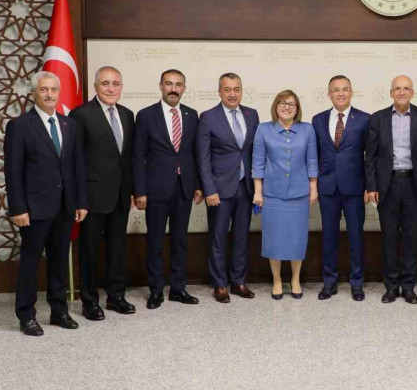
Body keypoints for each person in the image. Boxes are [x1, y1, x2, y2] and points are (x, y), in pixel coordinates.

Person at [5, 71, 88, 336]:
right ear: (34, 93)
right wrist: (18, 208)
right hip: (34, 208)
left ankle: (58, 311)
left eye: (53, 89)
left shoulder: (69, 125)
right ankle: (26, 315)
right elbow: (13, 171)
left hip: (64, 207)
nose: (50, 94)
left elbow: (76, 168)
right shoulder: (20, 126)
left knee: (59, 261)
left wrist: (79, 202)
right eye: (44, 90)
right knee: (30, 262)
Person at [69, 66, 136, 321]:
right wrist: (79, 199)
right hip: (92, 197)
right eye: (105, 83)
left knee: (117, 249)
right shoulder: (81, 115)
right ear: (96, 87)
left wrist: (130, 191)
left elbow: (128, 159)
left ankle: (116, 297)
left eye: (116, 84)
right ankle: (89, 302)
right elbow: (75, 161)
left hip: (120, 196)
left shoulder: (128, 115)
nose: (111, 88)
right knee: (89, 251)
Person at [133, 69, 203, 310]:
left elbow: (195, 154)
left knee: (180, 239)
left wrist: (197, 185)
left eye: (179, 84)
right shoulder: (145, 116)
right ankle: (155, 290)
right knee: (155, 240)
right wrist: (139, 191)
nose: (174, 88)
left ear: (184, 88)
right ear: (161, 86)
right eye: (169, 84)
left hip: (184, 188)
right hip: (156, 189)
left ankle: (178, 288)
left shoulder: (192, 115)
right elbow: (138, 155)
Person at [364, 75, 417, 304]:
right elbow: (371, 157)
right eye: (397, 88)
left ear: (412, 92)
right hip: (388, 185)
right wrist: (372, 186)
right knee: (389, 237)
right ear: (391, 93)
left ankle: (408, 287)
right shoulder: (378, 119)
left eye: (406, 88)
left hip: (414, 184)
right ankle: (391, 287)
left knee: (411, 239)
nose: (402, 92)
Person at [196, 73, 259, 303]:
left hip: (246, 187)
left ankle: (238, 281)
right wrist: (209, 189)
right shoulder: (208, 117)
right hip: (219, 190)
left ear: (241, 91)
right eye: (227, 89)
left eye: (237, 89)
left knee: (242, 236)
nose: (232, 94)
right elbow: (203, 158)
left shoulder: (252, 115)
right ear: (220, 92)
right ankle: (220, 284)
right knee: (218, 237)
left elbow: (254, 152)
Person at [252, 90, 318, 300]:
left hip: (299, 194)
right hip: (272, 195)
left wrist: (313, 188)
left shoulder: (307, 130)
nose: (287, 107)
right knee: (275, 239)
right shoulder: (263, 130)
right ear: (275, 106)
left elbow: (312, 161)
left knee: (297, 239)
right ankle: (277, 280)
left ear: (297, 108)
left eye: (292, 103)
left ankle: (295, 279)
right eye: (282, 103)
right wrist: (258, 192)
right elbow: (258, 163)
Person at [312, 75, 370, 301]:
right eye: (336, 90)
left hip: (355, 187)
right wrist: (314, 184)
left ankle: (357, 283)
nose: (341, 93)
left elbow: (371, 156)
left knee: (356, 237)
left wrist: (370, 186)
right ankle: (329, 282)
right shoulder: (317, 120)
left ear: (352, 92)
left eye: (345, 89)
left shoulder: (365, 119)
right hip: (327, 187)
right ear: (329, 94)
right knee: (329, 237)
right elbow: (313, 155)